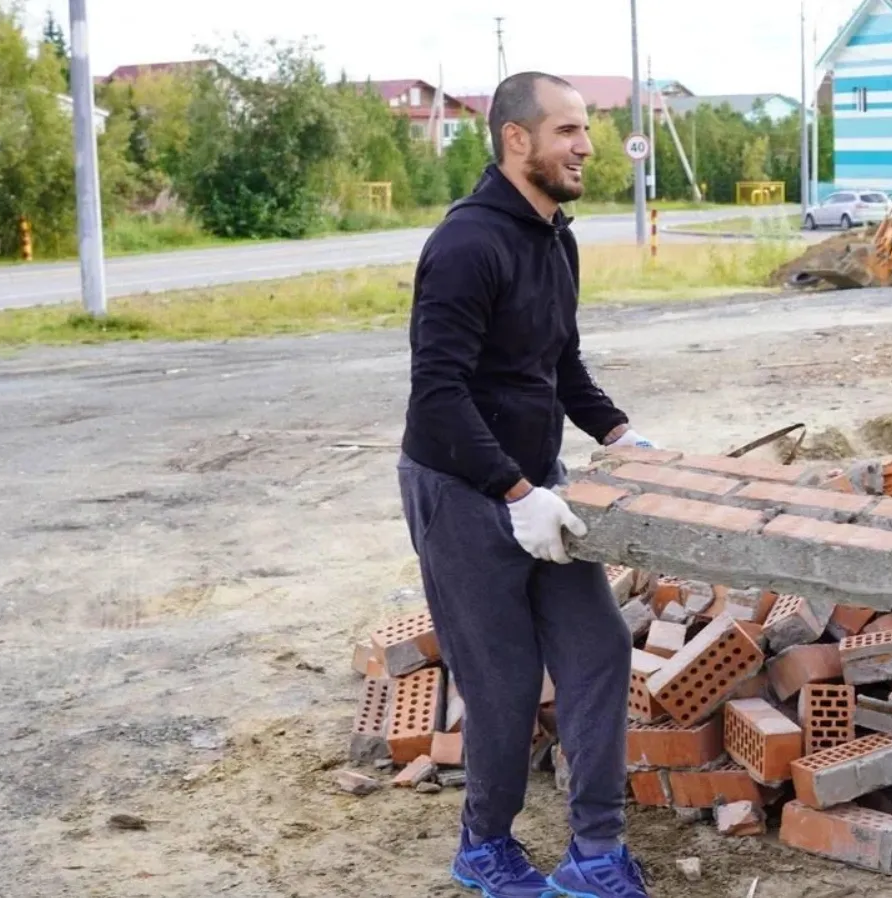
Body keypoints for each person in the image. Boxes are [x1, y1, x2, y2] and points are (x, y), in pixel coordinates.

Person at [397, 71, 655, 898]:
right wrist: (514, 493)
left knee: (597, 647)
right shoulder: (467, 244)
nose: (585, 145)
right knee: (502, 682)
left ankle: (596, 854)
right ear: (517, 140)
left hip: (537, 488)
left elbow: (558, 362)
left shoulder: (555, 237)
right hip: (463, 492)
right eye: (568, 131)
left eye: (586, 130)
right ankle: (483, 846)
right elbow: (437, 394)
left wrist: (619, 432)